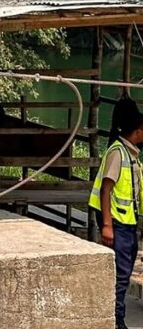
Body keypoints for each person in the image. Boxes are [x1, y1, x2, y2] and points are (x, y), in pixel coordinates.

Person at [89, 97, 143, 329]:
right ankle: (116, 319)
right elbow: (106, 189)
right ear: (137, 131)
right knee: (121, 275)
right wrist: (107, 225)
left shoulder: (132, 156)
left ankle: (116, 316)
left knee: (125, 270)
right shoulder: (118, 153)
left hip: (129, 222)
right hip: (118, 223)